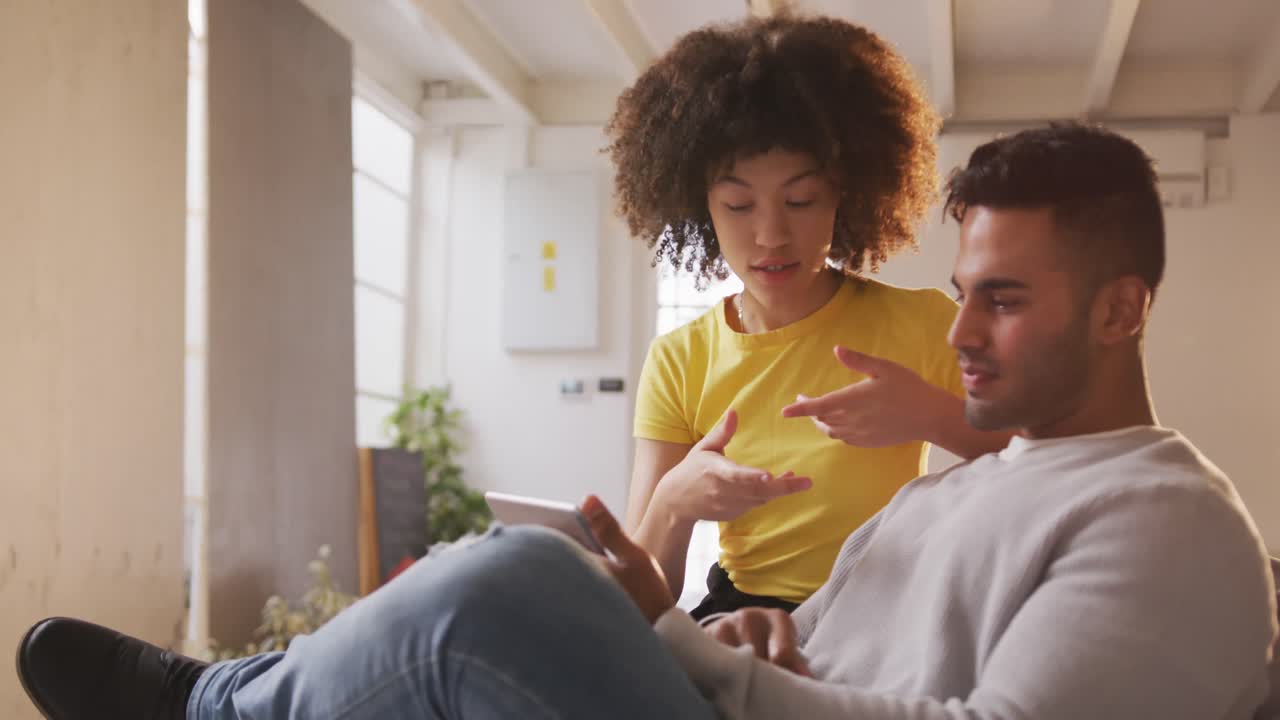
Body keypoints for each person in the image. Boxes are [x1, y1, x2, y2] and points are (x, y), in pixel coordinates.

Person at [18, 123, 1277, 720]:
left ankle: (214, 710)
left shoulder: (1163, 521)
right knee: (513, 563)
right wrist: (745, 626)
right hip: (741, 686)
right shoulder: (956, 492)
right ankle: (240, 693)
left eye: (1000, 302)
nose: (957, 334)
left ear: (1122, 309)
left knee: (507, 591)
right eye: (959, 296)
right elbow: (825, 636)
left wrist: (697, 652)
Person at [607, 13, 1007, 618]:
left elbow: (1047, 461)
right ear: (700, 207)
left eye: (801, 200)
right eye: (739, 204)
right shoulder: (679, 359)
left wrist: (933, 415)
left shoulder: (922, 323)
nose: (771, 234)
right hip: (739, 616)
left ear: (847, 198)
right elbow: (638, 603)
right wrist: (673, 503)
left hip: (881, 616)